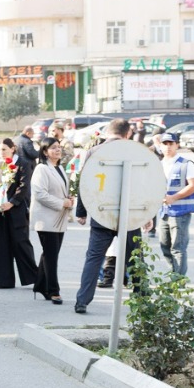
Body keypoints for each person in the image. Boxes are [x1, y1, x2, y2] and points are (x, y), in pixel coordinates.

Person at [72, 119, 143, 314]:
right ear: (127, 133)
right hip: (129, 214)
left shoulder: (94, 151)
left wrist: (81, 212)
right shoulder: (133, 150)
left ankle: (82, 301)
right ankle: (141, 299)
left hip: (102, 213)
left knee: (94, 259)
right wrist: (146, 213)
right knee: (135, 257)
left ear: (107, 132)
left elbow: (84, 183)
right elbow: (141, 183)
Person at [29, 137, 74, 304]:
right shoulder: (41, 169)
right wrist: (62, 203)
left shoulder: (60, 167)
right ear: (45, 151)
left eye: (59, 147)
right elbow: (40, 193)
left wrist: (68, 199)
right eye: (53, 147)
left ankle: (40, 285)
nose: (57, 150)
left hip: (59, 218)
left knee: (49, 254)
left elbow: (60, 190)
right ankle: (53, 290)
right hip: (46, 218)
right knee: (51, 255)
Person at [0, 137, 38, 292]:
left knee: (21, 243)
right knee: (3, 245)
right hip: (1, 212)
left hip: (17, 210)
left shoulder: (23, 164)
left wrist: (11, 203)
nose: (1, 153)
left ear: (13, 148)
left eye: (4, 149)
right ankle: (5, 280)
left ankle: (34, 277)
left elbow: (24, 187)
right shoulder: (0, 165)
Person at [157, 134, 194, 277]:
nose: (168, 146)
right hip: (164, 211)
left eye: (171, 143)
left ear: (177, 145)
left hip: (180, 212)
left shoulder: (186, 164)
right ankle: (174, 272)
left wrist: (173, 198)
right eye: (165, 143)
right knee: (165, 245)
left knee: (178, 247)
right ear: (160, 146)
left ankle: (178, 280)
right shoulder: (158, 164)